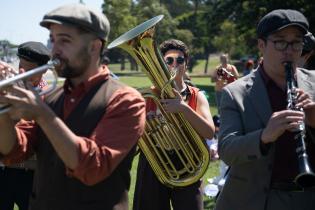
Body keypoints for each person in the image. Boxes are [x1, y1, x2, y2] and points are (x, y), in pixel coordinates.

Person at [0, 3, 145, 210]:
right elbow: (13, 151)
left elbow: (93, 168)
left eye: (65, 41)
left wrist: (42, 114)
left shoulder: (126, 100)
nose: (54, 51)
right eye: (53, 40)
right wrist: (2, 108)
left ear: (94, 46)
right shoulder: (52, 98)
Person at [215, 9, 315, 210]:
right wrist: (264, 136)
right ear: (261, 45)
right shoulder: (235, 93)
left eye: (296, 42)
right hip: (257, 201)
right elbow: (227, 150)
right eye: (280, 42)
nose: (289, 50)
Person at [133, 39, 215, 210]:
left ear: (186, 64)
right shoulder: (149, 95)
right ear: (162, 63)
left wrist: (184, 108)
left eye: (180, 60)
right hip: (153, 164)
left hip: (189, 164)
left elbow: (209, 132)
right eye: (169, 60)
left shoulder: (196, 96)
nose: (174, 64)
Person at [0, 41, 50, 210]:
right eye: (20, 66)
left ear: (43, 70)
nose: (21, 72)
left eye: (28, 70)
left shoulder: (49, 96)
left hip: (31, 175)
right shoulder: (8, 89)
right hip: (3, 170)